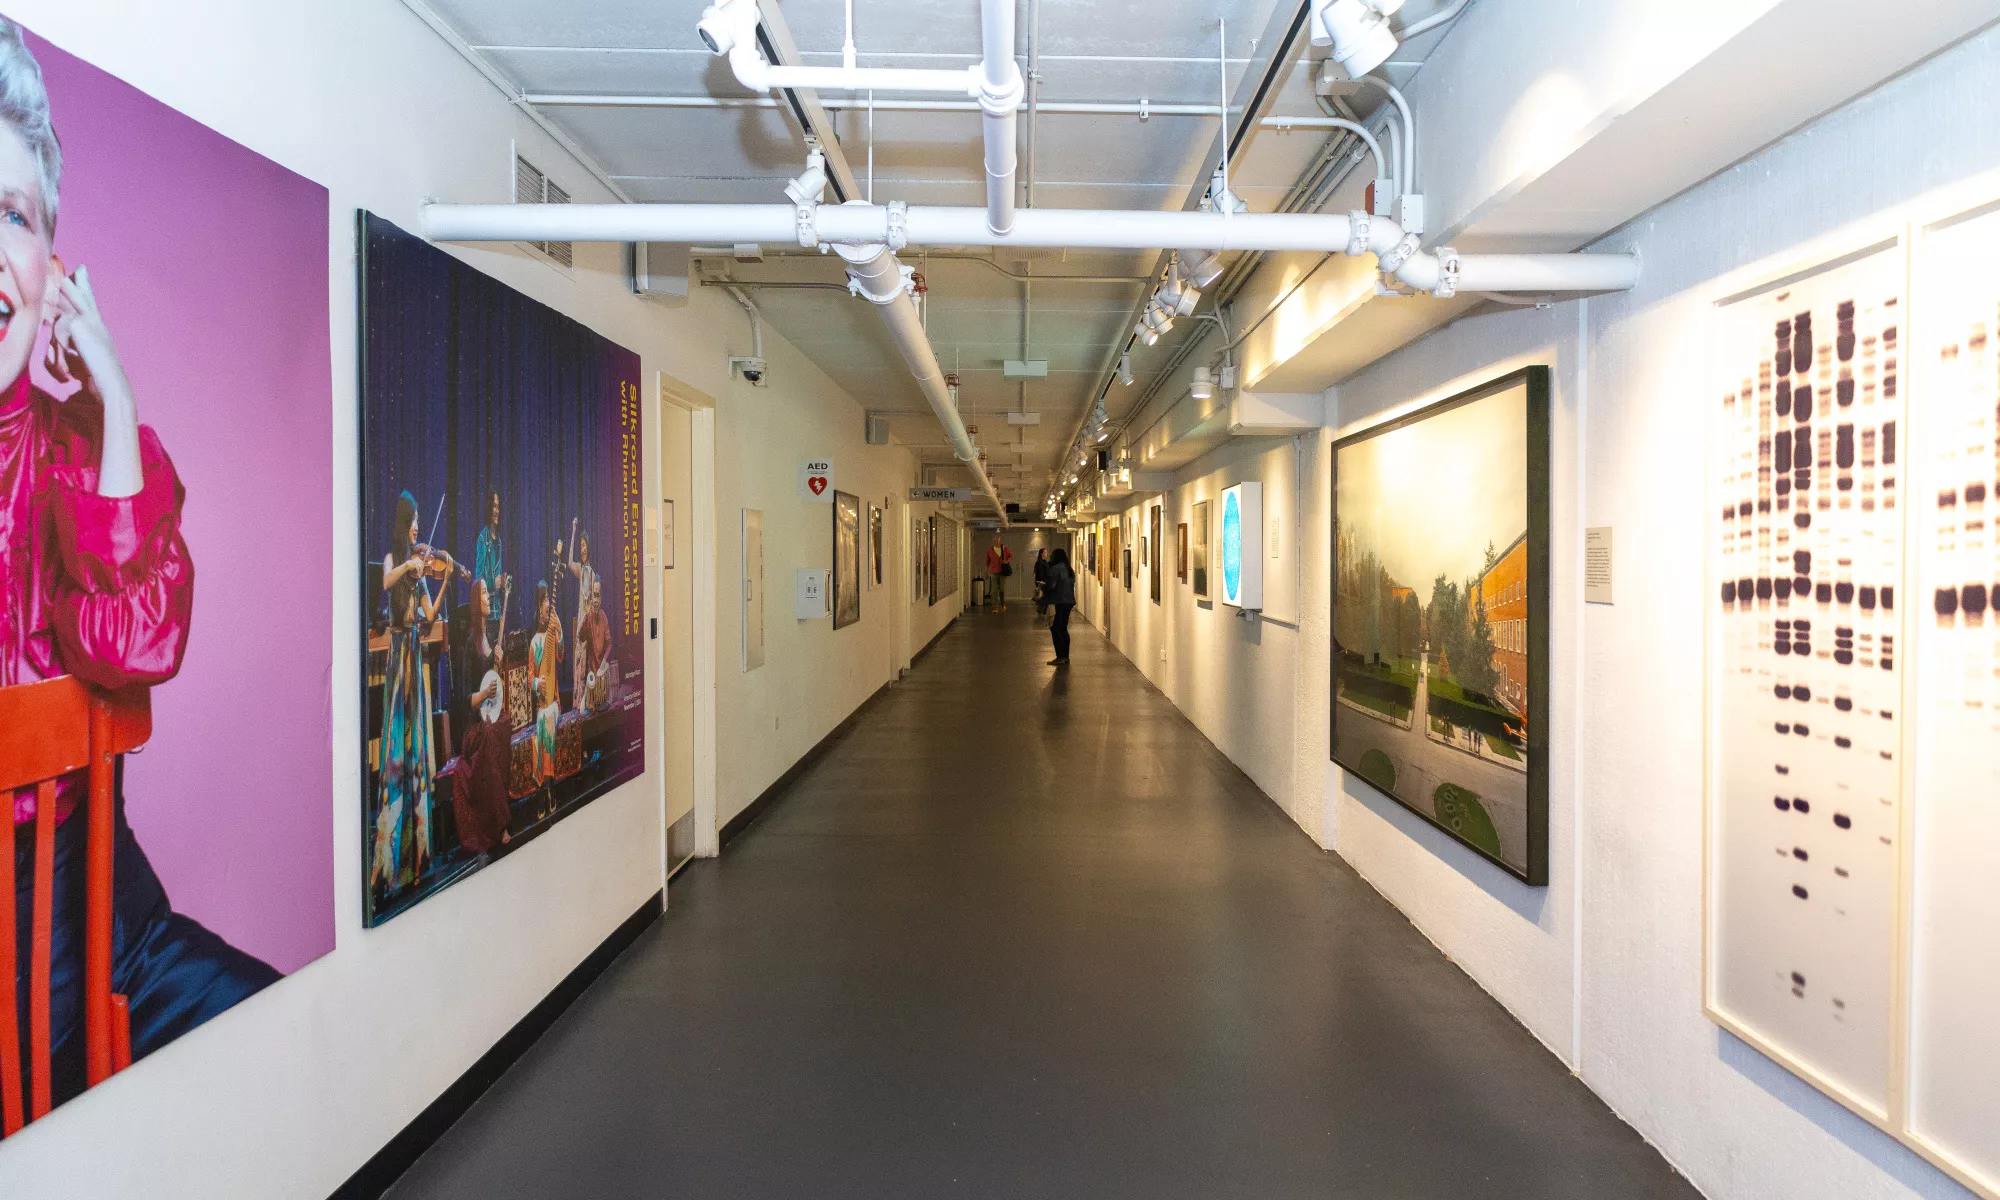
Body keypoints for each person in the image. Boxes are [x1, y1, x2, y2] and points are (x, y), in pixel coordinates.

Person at [0, 17, 276, 1108]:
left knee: (282, 1047)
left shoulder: (79, 452)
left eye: (10, 215)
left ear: (50, 266)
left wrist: (113, 406)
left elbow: (134, 646)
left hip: (93, 919)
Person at [375, 491, 449, 892]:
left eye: (421, 519)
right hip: (398, 656)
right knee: (396, 747)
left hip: (414, 651)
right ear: (405, 522)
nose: (419, 525)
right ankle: (391, 855)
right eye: (415, 519)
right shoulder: (396, 560)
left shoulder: (419, 570)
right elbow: (387, 579)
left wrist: (442, 582)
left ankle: (417, 853)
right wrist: (409, 565)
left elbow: (430, 615)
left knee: (415, 744)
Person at [449, 577, 513, 856]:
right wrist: (484, 694)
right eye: (484, 593)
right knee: (488, 735)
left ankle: (501, 809)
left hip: (488, 718)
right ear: (477, 601)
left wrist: (498, 661)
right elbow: (465, 700)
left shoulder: (488, 639)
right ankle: (498, 825)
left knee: (505, 722)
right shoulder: (468, 646)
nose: (488, 597)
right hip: (473, 728)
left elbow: (495, 684)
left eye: (489, 592)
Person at [530, 579, 564, 788]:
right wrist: (536, 683)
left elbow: (561, 656)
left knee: (549, 716)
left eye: (548, 599)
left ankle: (548, 784)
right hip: (542, 703)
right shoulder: (534, 642)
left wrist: (559, 633)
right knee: (543, 717)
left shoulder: (552, 634)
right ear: (538, 606)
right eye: (543, 600)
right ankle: (545, 787)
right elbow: (529, 677)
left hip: (555, 700)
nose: (547, 604)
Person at [566, 518, 596, 705]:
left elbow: (592, 602)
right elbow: (569, 562)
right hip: (579, 629)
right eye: (580, 546)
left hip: (588, 626)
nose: (582, 549)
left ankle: (586, 702)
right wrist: (573, 530)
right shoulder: (580, 569)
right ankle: (577, 704)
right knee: (578, 665)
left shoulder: (592, 574)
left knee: (586, 666)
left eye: (584, 545)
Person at [472, 490, 507, 640]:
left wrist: (503, 582)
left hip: (497, 611)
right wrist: (494, 582)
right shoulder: (482, 539)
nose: (497, 511)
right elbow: (478, 579)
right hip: (487, 614)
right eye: (494, 506)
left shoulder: (498, 541)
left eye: (498, 507)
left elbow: (498, 575)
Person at [577, 578, 611, 714]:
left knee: (602, 707)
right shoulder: (589, 617)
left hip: (601, 670)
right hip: (592, 670)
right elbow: (581, 637)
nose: (595, 600)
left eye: (597, 596)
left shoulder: (603, 616)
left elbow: (610, 643)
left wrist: (605, 660)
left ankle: (600, 702)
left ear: (601, 598)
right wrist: (586, 616)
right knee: (584, 712)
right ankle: (589, 700)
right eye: (592, 596)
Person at [1045, 547, 1077, 665]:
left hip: (1059, 601)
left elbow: (1051, 585)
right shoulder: (1069, 569)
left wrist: (1043, 586)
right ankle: (1065, 656)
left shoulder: (1056, 569)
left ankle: (1060, 656)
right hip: (1068, 601)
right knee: (1063, 628)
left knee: (1055, 628)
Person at [985, 535, 1012, 613]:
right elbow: (987, 562)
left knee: (1002, 589)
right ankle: (994, 607)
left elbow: (1010, 555)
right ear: (993, 540)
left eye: (998, 539)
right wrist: (986, 571)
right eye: (996, 539)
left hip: (1002, 572)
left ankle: (1003, 604)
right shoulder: (990, 550)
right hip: (993, 572)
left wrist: (1006, 561)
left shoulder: (1004, 548)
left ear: (1000, 540)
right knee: (994, 590)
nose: (997, 541)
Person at [1032, 548, 1050, 621]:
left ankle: (1041, 609)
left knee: (1045, 597)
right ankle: (1041, 610)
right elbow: (1039, 574)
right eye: (1045, 552)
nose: (1046, 554)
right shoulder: (1039, 563)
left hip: (1045, 582)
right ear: (1041, 554)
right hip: (1042, 582)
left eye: (1046, 552)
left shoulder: (1044, 562)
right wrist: (1043, 582)